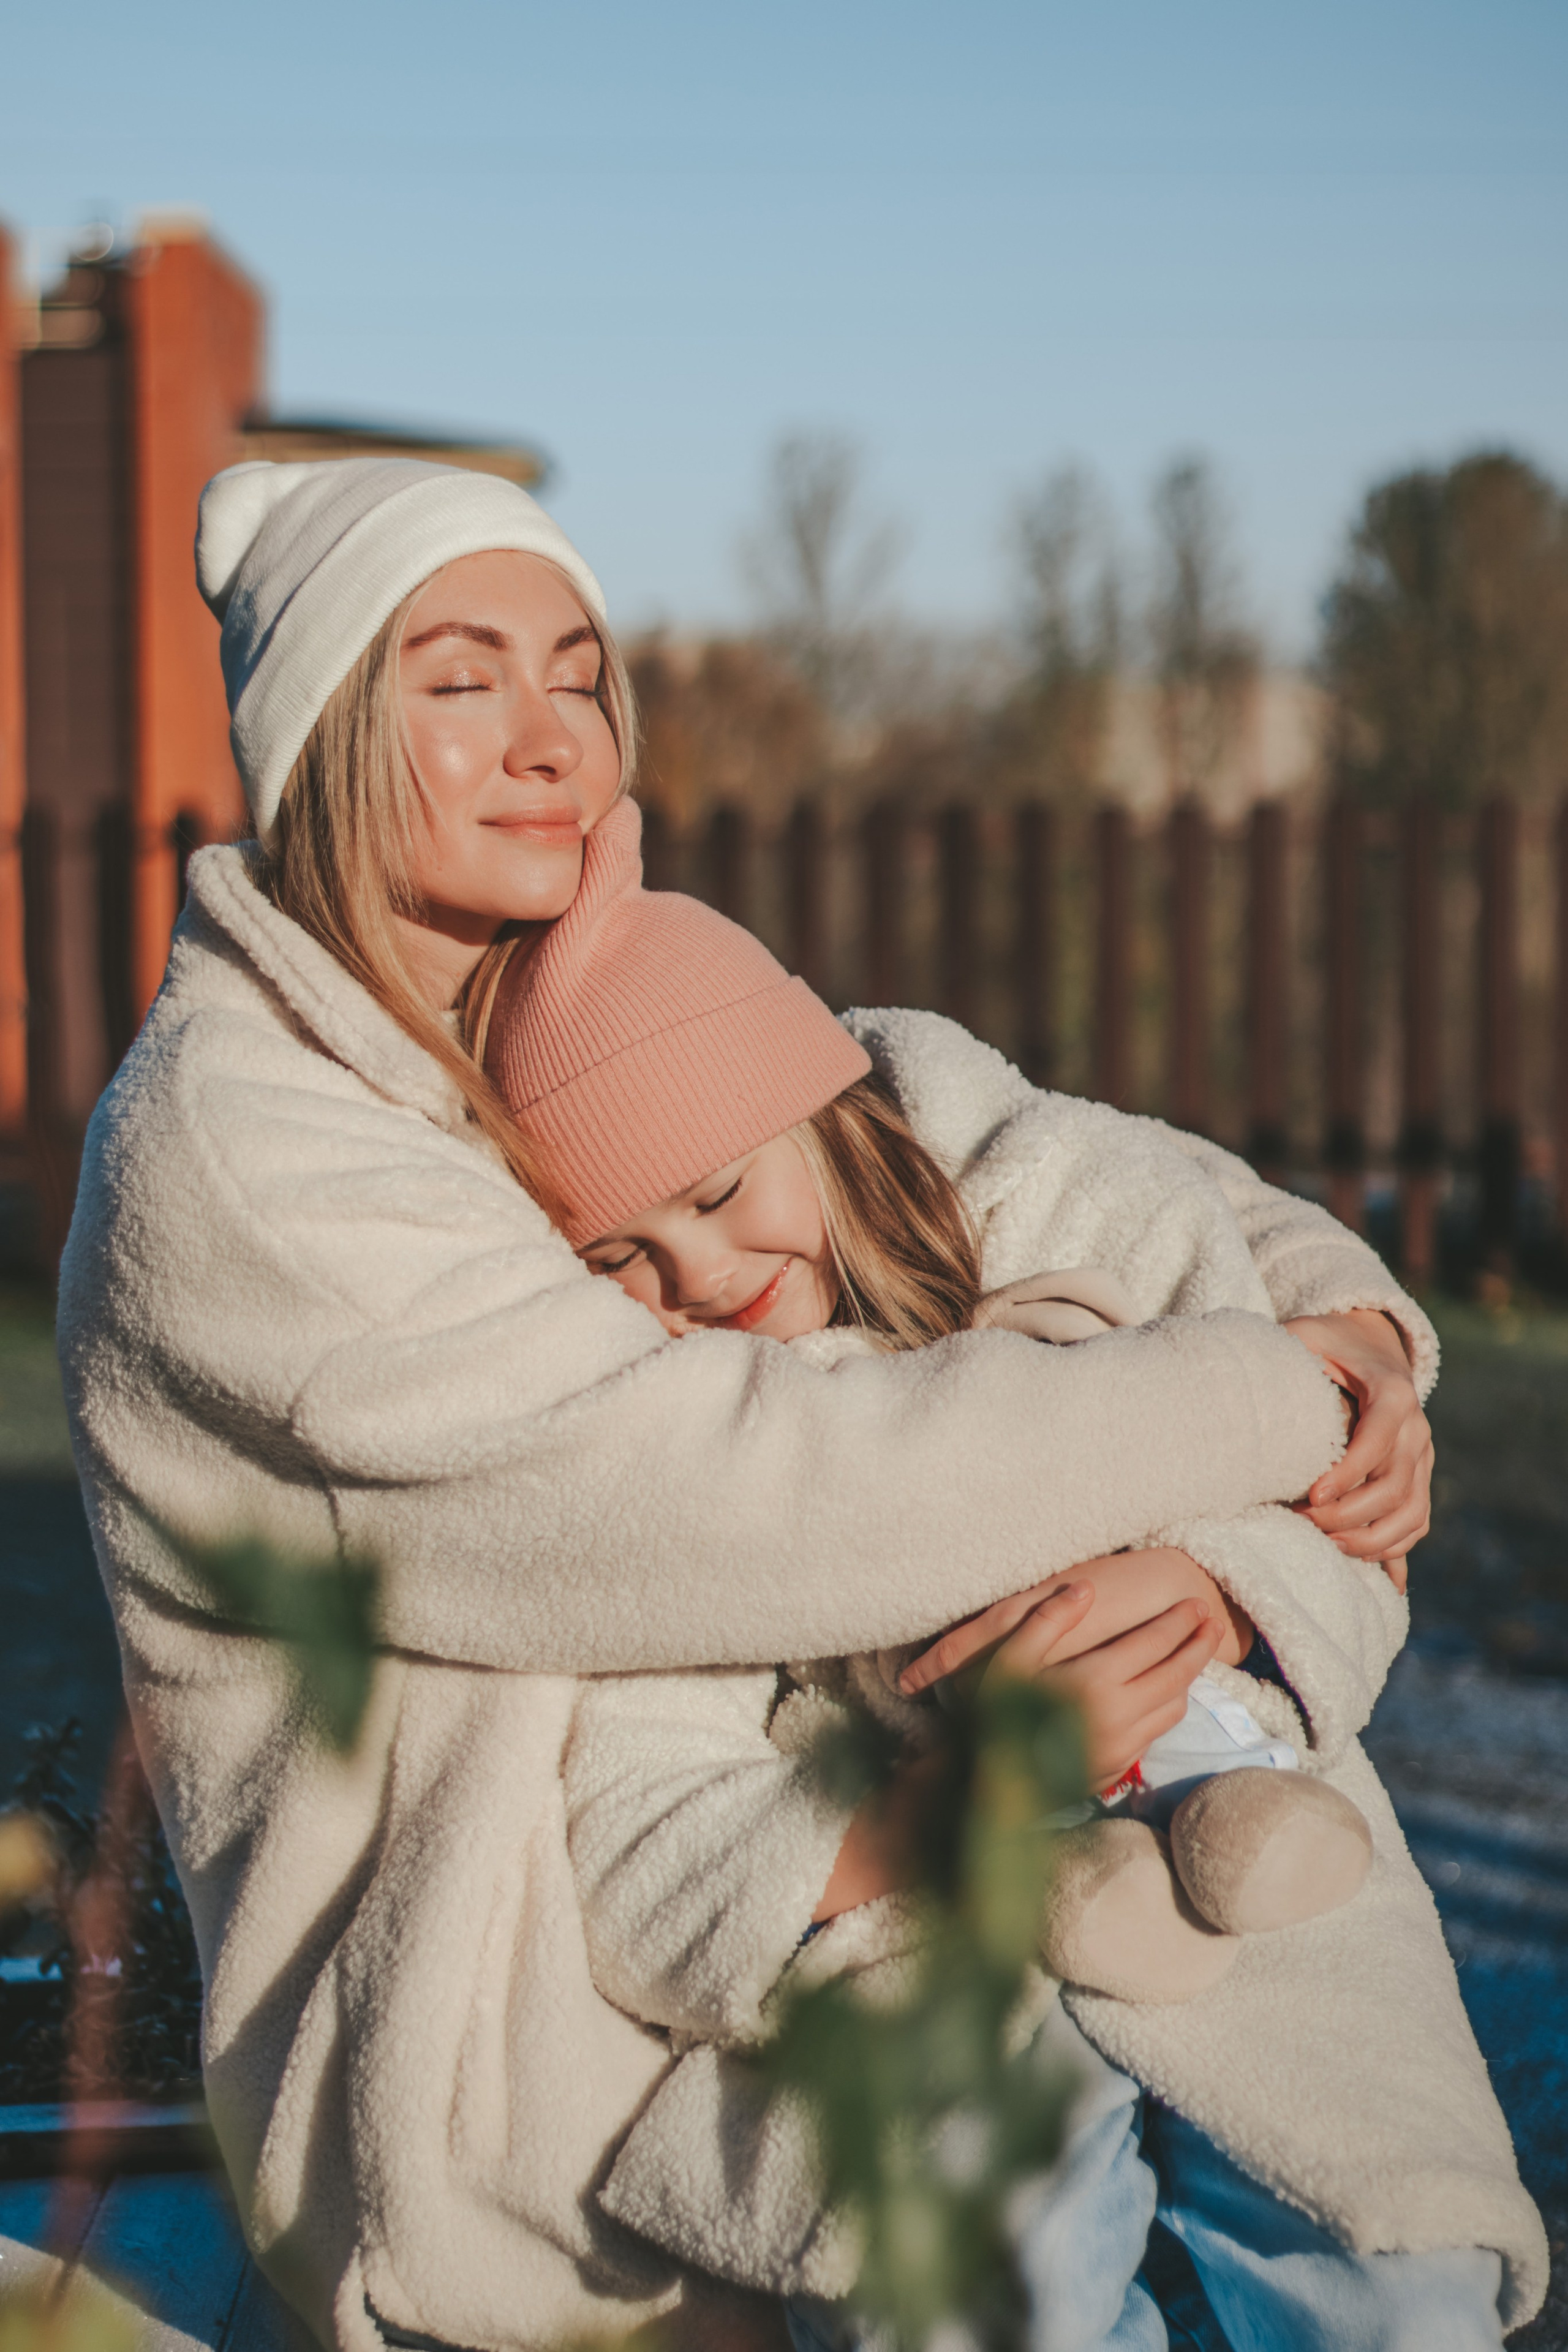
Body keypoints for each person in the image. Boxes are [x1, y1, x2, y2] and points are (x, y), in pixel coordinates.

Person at [56, 457, 1470, 2352]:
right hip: (537, 2095)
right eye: (458, 681)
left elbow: (1048, 1170)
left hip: (835, 1929)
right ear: (316, 734)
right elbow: (740, 1496)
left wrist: (1322, 1392)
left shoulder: (567, 1004)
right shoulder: (248, 1151)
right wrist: (1266, 1410)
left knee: (1345, 2190)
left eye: (579, 673)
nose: (549, 737)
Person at [471, 803, 1543, 2350]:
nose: (697, 1280)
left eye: (714, 1195)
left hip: (1235, 1838)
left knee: (1392, 2281)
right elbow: (650, 1845)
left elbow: (1333, 1525)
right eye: (619, 1261)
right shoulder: (665, 1454)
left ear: (818, 1106)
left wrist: (1227, 1590)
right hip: (928, 1943)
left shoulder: (1074, 1212)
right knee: (995, 2290)